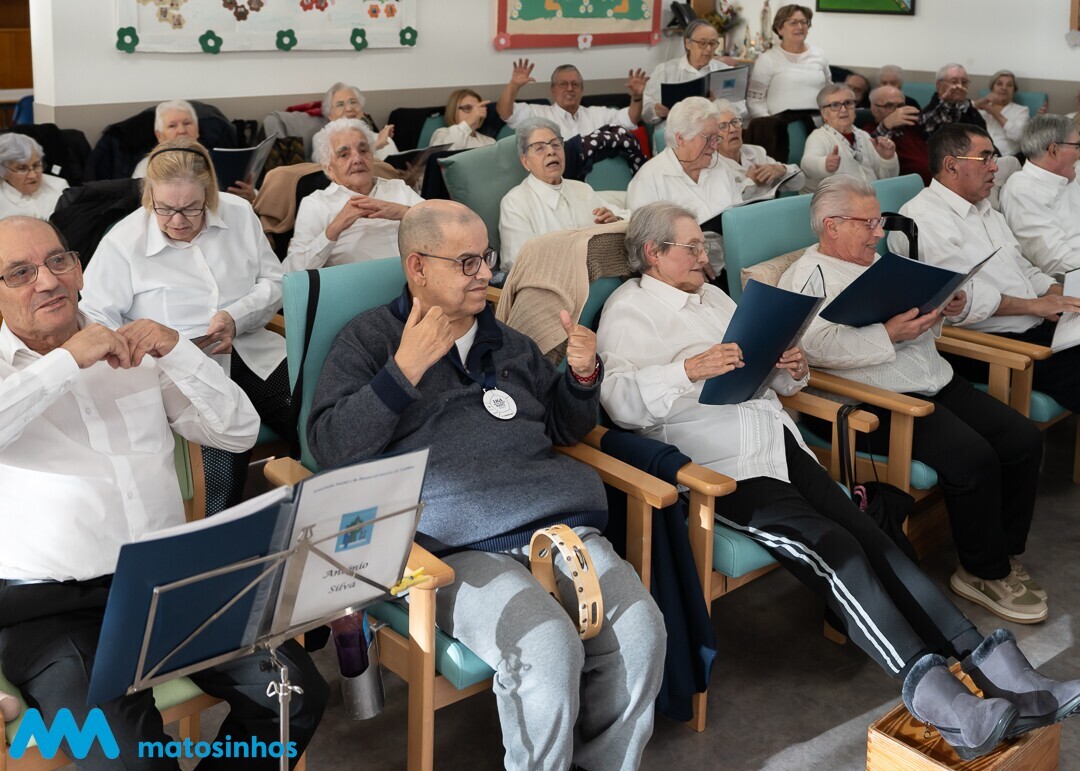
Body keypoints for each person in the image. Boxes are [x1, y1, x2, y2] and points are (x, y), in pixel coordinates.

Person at [596, 200, 1080, 762]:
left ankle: (995, 668)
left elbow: (770, 378)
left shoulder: (715, 298)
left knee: (872, 537)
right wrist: (688, 369)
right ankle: (938, 699)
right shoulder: (629, 311)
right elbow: (618, 403)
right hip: (717, 467)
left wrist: (790, 368)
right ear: (653, 253)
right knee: (835, 550)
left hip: (775, 442)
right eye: (693, 248)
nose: (705, 260)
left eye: (706, 248)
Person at [306, 199, 666, 771]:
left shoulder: (510, 342)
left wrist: (581, 377)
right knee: (547, 647)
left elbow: (563, 429)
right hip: (449, 548)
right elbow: (330, 447)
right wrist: (404, 370)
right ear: (418, 267)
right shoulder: (370, 339)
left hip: (557, 523)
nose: (485, 274)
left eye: (487, 258)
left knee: (642, 631)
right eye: (467, 262)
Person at [0, 215, 328, 770]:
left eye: (58, 261)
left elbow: (237, 432)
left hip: (169, 581)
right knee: (127, 761)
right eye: (20, 272)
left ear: (79, 269)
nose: (48, 281)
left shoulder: (129, 347)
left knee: (291, 696)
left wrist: (178, 350)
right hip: (50, 609)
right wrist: (67, 361)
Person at [778, 175, 1047, 623]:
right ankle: (982, 572)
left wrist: (941, 310)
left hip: (933, 377)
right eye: (867, 223)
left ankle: (1002, 549)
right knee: (974, 457)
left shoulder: (878, 263)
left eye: (878, 221)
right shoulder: (809, 276)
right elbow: (814, 348)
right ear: (832, 225)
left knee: (1022, 440)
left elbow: (915, 322)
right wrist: (888, 334)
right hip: (875, 402)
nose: (878, 232)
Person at [80, 138, 291, 516]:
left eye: (191, 208)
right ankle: (219, 543)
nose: (177, 221)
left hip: (252, 349)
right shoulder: (124, 242)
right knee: (219, 481)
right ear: (149, 197)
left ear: (210, 195)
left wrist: (236, 316)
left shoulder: (239, 213)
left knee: (315, 423)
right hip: (182, 373)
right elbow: (95, 318)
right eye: (165, 208)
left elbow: (274, 281)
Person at [889, 124, 1080, 415]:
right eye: (985, 158)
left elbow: (1022, 267)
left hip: (1036, 326)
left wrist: (1058, 293)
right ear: (951, 165)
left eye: (994, 158)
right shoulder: (923, 218)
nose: (994, 167)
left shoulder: (984, 209)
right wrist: (1035, 305)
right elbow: (962, 299)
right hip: (989, 345)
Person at [284, 118, 422, 272]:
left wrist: (404, 212)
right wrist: (334, 228)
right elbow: (293, 270)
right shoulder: (316, 204)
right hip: (360, 284)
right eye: (344, 155)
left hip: (416, 277)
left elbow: (441, 222)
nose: (357, 159)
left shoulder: (397, 188)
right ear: (329, 169)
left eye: (363, 151)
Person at [627, 97, 741, 278]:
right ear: (681, 138)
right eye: (709, 138)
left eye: (717, 138)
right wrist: (693, 259)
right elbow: (644, 248)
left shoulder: (721, 168)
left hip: (734, 265)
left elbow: (738, 219)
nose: (715, 146)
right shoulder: (649, 180)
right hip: (683, 277)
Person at [499, 117, 625, 272]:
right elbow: (518, 262)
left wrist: (615, 221)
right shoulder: (514, 203)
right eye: (539, 148)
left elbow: (624, 218)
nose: (551, 151)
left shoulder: (582, 189)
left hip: (602, 273)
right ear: (525, 161)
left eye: (555, 144)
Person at [1000, 114, 1080, 279]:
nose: (1079, 153)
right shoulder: (1023, 191)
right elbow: (1057, 262)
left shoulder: (1067, 177)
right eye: (1077, 146)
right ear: (1054, 150)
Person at [132, 100, 256, 202]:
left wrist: (251, 196)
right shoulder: (147, 165)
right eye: (172, 126)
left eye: (187, 123)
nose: (181, 130)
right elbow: (140, 203)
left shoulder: (221, 158)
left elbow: (256, 196)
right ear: (159, 135)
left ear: (197, 130)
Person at [497, 60, 646, 141]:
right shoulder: (536, 114)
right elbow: (505, 112)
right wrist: (514, 85)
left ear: (582, 89)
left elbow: (630, 119)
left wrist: (637, 97)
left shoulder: (598, 114)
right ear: (552, 89)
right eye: (563, 84)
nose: (569, 89)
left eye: (575, 84)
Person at [641, 19, 744, 125]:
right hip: (673, 129)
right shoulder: (665, 71)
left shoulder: (725, 71)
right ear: (688, 44)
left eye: (712, 43)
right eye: (703, 43)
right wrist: (655, 110)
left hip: (714, 129)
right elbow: (644, 108)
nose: (708, 49)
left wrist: (717, 105)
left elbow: (742, 107)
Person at [800, 84, 898, 193]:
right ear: (823, 113)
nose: (843, 109)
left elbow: (887, 179)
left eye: (848, 103)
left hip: (872, 196)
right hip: (838, 200)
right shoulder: (819, 137)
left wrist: (887, 159)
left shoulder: (864, 136)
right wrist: (824, 164)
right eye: (835, 105)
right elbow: (807, 164)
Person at [746, 4, 831, 119]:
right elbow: (754, 101)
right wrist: (769, 124)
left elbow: (829, 91)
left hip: (818, 124)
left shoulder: (819, 54)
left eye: (804, 22)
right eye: (793, 23)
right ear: (779, 29)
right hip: (779, 125)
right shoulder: (767, 59)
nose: (800, 27)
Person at [713, 100, 804, 199]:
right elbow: (726, 202)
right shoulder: (712, 165)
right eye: (723, 126)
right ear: (712, 136)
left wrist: (782, 170)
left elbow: (800, 182)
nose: (733, 129)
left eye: (735, 122)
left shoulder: (756, 152)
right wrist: (751, 182)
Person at [863, 84, 930, 184]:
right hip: (907, 187)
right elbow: (870, 148)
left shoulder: (910, 125)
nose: (898, 111)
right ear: (874, 109)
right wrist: (886, 125)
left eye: (901, 105)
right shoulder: (867, 131)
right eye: (890, 106)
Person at [322, 81, 398, 160]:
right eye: (340, 105)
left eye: (353, 102)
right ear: (330, 115)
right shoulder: (322, 139)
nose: (349, 108)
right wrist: (377, 144)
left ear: (361, 110)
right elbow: (327, 162)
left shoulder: (384, 140)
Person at [0, 133, 67, 220]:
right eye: (22, 169)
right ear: (3, 172)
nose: (33, 175)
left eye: (36, 165)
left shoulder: (59, 186)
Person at [919, 64, 987, 139]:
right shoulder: (929, 113)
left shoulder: (971, 111)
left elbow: (985, 138)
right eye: (954, 82)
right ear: (939, 85)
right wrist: (945, 100)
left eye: (964, 82)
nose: (960, 86)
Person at [975, 70, 1031, 157]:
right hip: (977, 154)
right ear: (992, 88)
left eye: (1009, 85)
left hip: (1004, 158)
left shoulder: (1022, 111)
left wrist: (994, 113)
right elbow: (963, 113)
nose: (1004, 88)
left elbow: (1018, 136)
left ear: (1014, 91)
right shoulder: (983, 107)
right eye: (999, 84)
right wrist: (983, 101)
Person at [428, 88, 496, 151]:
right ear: (454, 110)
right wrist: (468, 122)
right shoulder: (442, 134)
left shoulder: (490, 141)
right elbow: (446, 154)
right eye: (467, 108)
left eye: (478, 108)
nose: (475, 113)